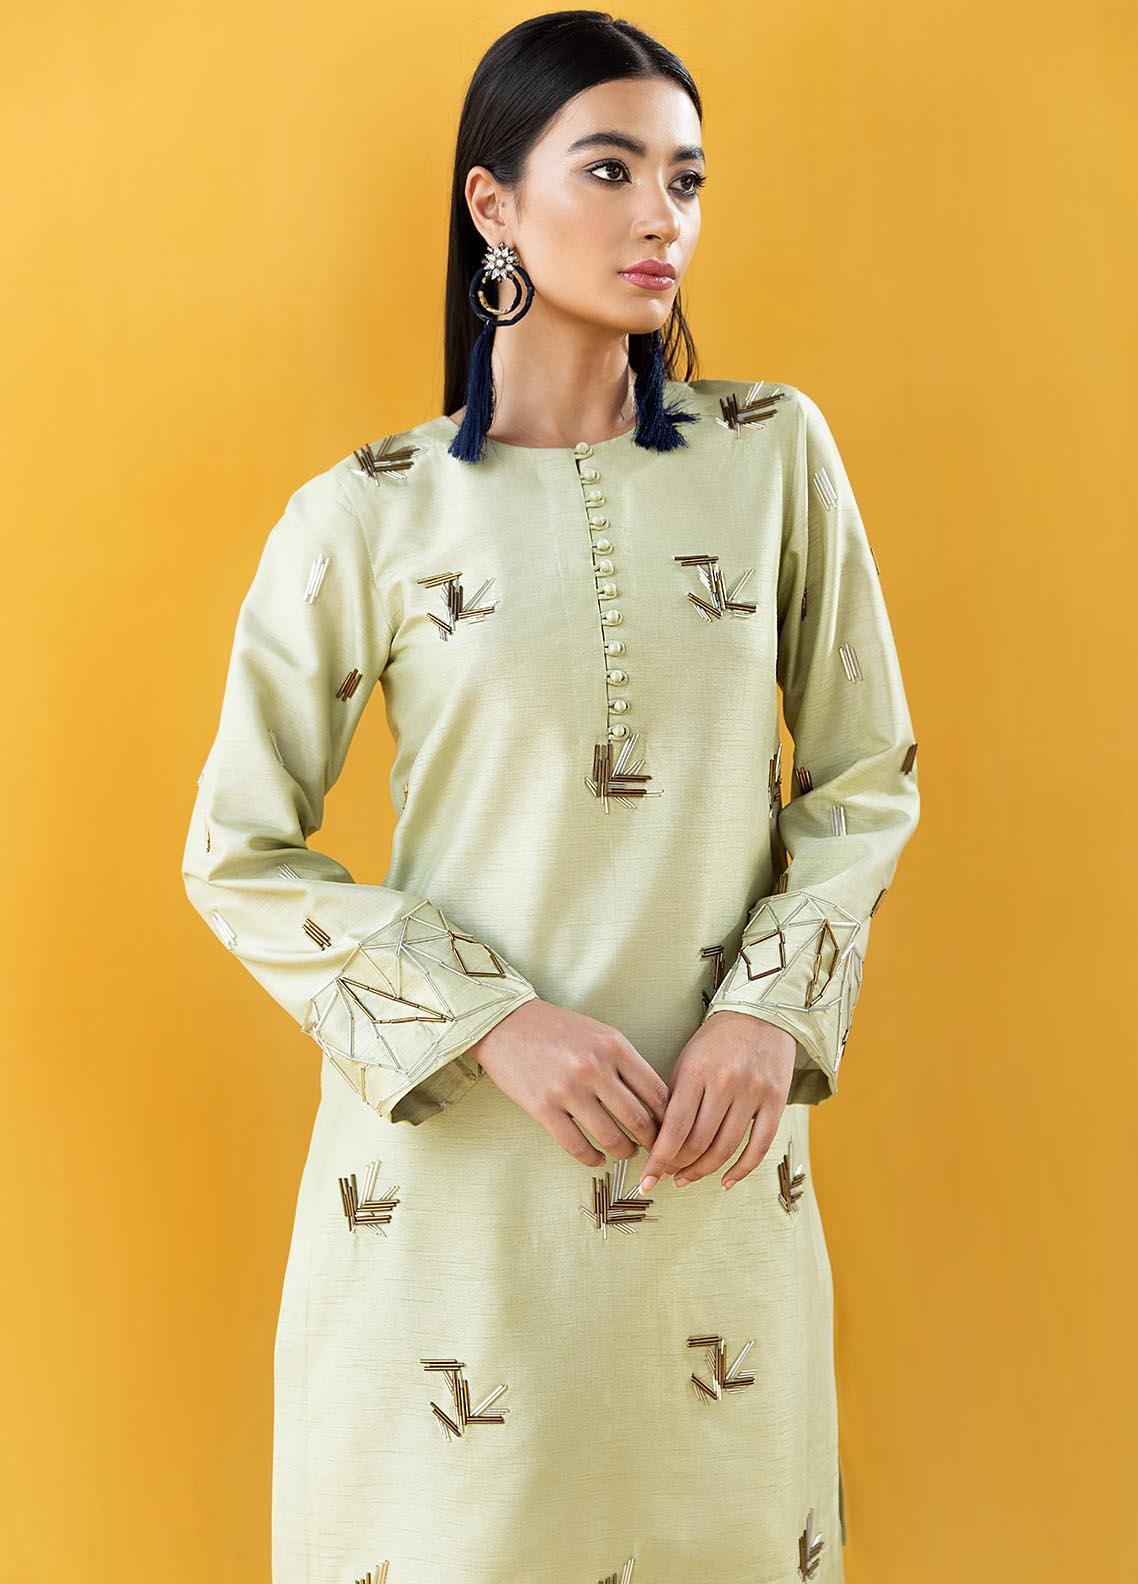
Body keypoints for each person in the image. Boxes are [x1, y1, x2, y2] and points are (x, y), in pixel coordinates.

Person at [181, 12, 920, 1583]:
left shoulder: (772, 457)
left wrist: (767, 1012)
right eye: (610, 170)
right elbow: (236, 852)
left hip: (711, 1176)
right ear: (493, 207)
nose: (662, 217)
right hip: (454, 1201)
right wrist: (488, 1019)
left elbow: (864, 777)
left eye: (685, 179)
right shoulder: (366, 515)